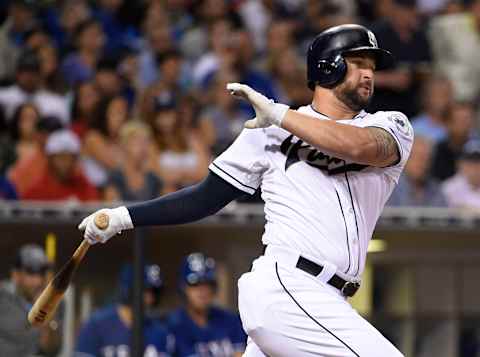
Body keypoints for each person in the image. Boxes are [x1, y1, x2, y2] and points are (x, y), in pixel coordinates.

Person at [79, 24, 413, 356]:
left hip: (329, 299)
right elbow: (204, 198)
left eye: (371, 65)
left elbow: (361, 147)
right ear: (328, 65)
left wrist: (280, 114)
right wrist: (122, 216)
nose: (369, 73)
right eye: (358, 63)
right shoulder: (267, 131)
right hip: (288, 286)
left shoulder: (389, 124)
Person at [75, 264, 173, 357]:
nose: (150, 298)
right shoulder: (96, 326)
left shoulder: (160, 331)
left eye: (154, 292)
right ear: (128, 290)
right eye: (145, 291)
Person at [167, 253, 246, 357]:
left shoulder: (231, 320)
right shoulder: (173, 326)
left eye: (207, 284)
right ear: (184, 288)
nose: (202, 290)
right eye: (195, 284)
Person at [0, 244, 60, 356]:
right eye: (31, 272)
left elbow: (51, 350)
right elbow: (22, 333)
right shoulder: (3, 298)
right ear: (15, 274)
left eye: (41, 273)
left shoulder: (49, 303)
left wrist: (47, 315)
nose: (37, 280)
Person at [23, 129, 99, 201]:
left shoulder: (84, 186)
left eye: (69, 158)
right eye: (60, 157)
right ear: (50, 159)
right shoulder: (36, 190)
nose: (65, 163)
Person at [387, 136, 447, 207]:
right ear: (405, 159)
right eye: (416, 157)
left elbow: (442, 214)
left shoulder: (435, 189)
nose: (421, 163)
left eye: (426, 159)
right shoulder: (390, 187)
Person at [442, 139, 480, 209]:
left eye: (478, 162)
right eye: (470, 161)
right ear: (461, 164)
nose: (474, 167)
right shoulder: (450, 187)